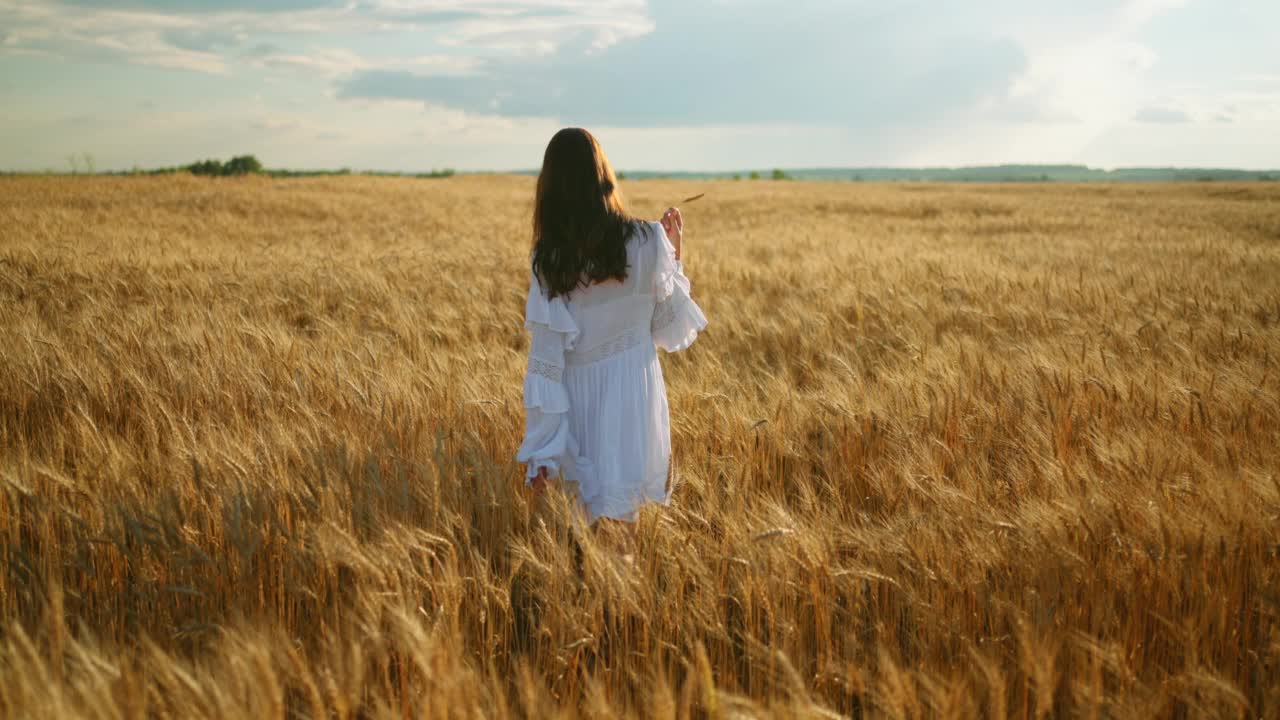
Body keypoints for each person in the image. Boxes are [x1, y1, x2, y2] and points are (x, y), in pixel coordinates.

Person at [516, 127, 707, 526]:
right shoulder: (648, 239)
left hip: (576, 403)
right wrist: (671, 254)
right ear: (603, 174)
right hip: (633, 397)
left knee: (581, 535)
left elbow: (546, 361)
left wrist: (543, 450)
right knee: (623, 537)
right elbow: (667, 330)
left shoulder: (549, 257)